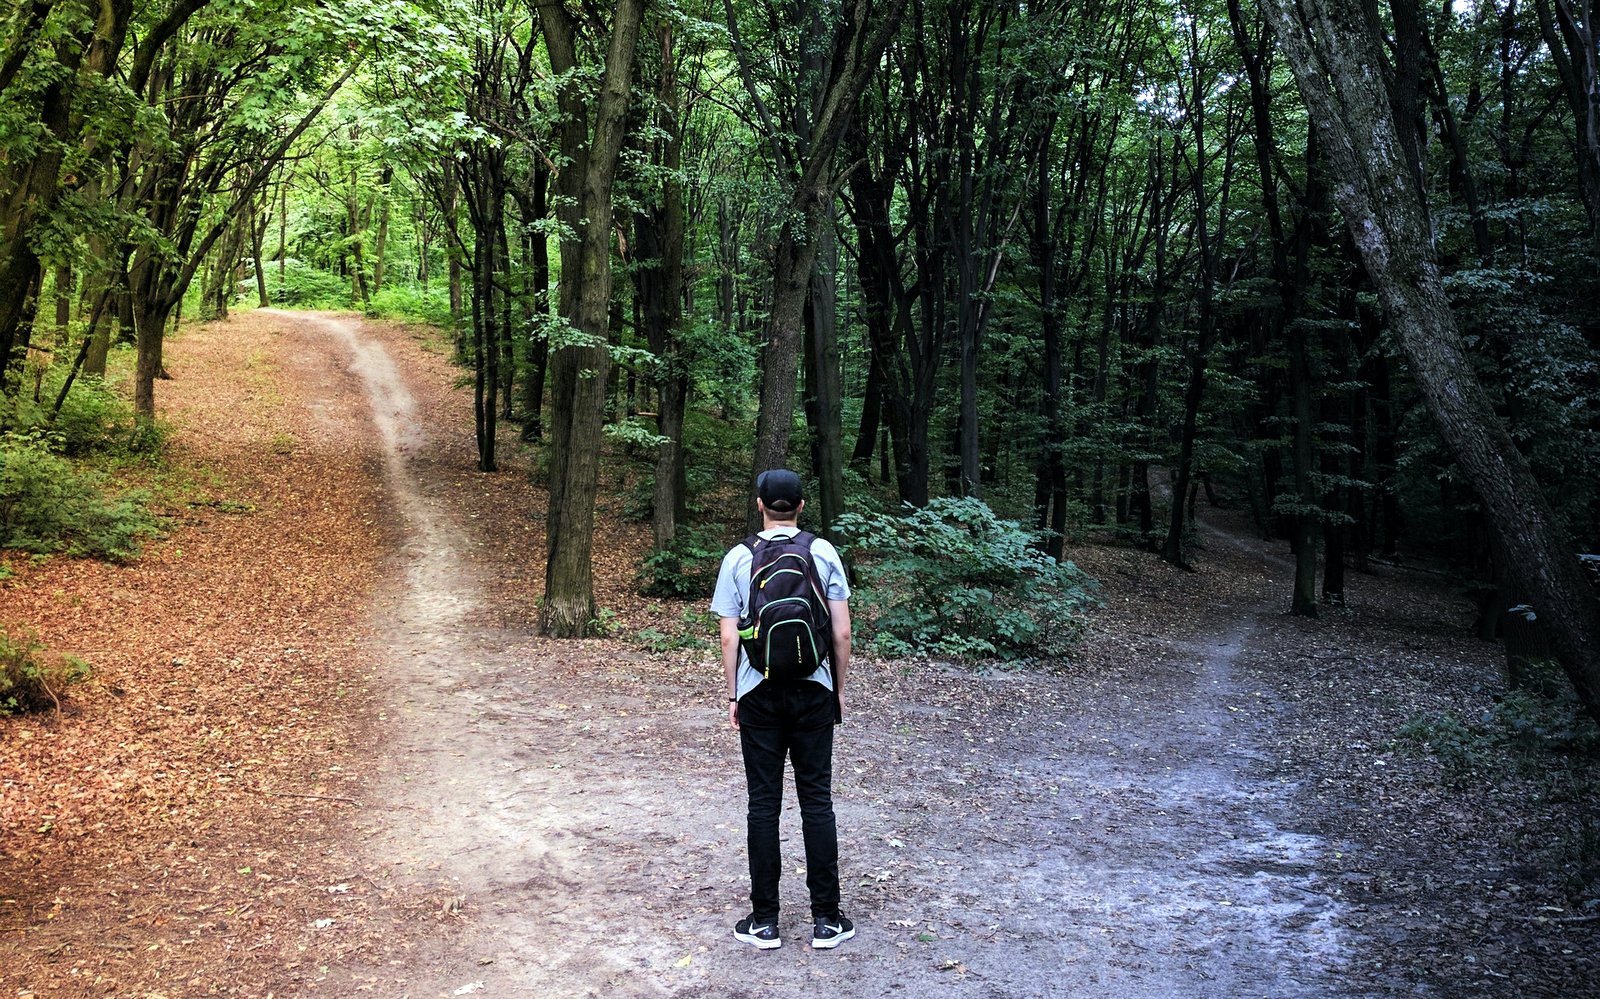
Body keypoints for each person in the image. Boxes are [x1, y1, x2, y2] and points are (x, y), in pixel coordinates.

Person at [711, 469, 854, 950]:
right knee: (817, 800)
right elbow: (841, 633)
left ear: (759, 505)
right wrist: (836, 690)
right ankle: (827, 920)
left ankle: (765, 921)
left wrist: (734, 694)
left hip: (759, 693)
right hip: (814, 690)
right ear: (801, 505)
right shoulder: (823, 551)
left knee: (763, 803)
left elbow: (730, 635)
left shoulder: (738, 557)